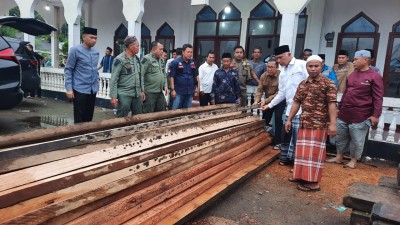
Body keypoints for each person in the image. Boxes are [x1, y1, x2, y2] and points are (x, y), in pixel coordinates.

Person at [285, 55, 338, 192]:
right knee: (302, 153)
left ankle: (313, 183)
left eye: (316, 66)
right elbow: (296, 102)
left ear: (321, 66)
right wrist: (289, 119)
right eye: (310, 66)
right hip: (304, 122)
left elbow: (332, 104)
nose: (313, 69)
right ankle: (300, 176)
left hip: (319, 124)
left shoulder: (328, 83)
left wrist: (333, 124)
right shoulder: (303, 84)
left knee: (314, 155)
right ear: (306, 67)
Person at [326, 50, 384, 169]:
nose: (354, 61)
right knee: (341, 136)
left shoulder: (375, 76)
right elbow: (346, 92)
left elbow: (378, 98)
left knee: (357, 139)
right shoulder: (352, 74)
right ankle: (339, 157)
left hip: (361, 114)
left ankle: (353, 160)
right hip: (345, 112)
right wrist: (340, 107)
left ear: (366, 60)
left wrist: (376, 115)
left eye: (357, 59)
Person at [260, 45, 308, 165]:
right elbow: (281, 94)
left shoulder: (302, 65)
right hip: (289, 109)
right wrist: (269, 105)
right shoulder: (283, 74)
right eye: (277, 59)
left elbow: (312, 85)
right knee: (287, 135)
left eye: (281, 58)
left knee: (299, 138)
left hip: (303, 109)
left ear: (289, 54)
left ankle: (299, 163)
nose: (279, 61)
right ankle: (288, 159)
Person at [65, 27, 100, 124]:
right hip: (80, 89)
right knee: (79, 116)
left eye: (96, 38)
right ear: (84, 37)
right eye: (91, 37)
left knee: (89, 116)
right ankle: (78, 136)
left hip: (92, 89)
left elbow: (94, 68)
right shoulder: (75, 50)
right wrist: (69, 88)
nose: (94, 40)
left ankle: (87, 136)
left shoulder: (96, 52)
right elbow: (68, 69)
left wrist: (96, 78)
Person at [253, 59, 285, 148]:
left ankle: (278, 142)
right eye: (268, 66)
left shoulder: (281, 76)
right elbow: (260, 89)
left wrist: (266, 101)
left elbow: (279, 93)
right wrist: (256, 100)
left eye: (271, 67)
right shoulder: (264, 75)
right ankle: (265, 140)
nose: (269, 69)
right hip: (268, 100)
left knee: (278, 119)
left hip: (279, 100)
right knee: (265, 119)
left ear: (277, 67)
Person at [110, 36, 144, 117]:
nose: (139, 48)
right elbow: (114, 79)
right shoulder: (119, 59)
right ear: (130, 46)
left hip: (137, 94)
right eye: (137, 45)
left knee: (138, 118)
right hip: (124, 94)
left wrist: (142, 90)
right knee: (122, 119)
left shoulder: (137, 59)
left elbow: (140, 76)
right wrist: (113, 97)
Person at [169, 44, 199, 109]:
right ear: (183, 52)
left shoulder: (193, 62)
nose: (190, 54)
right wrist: (172, 90)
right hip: (178, 92)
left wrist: (196, 87)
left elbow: (195, 75)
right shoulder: (175, 62)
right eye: (188, 52)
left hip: (189, 92)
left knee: (187, 111)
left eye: (191, 52)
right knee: (175, 111)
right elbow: (171, 76)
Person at [142, 41, 168, 113]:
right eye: (160, 49)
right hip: (149, 92)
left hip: (159, 91)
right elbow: (141, 75)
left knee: (162, 110)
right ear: (153, 50)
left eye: (162, 49)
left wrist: (165, 85)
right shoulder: (147, 59)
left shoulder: (161, 60)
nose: (162, 51)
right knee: (148, 113)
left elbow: (164, 74)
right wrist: (142, 90)